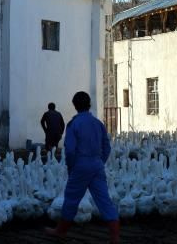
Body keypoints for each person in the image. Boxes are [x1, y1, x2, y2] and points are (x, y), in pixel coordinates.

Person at [45, 91, 120, 243]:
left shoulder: (74, 124)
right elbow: (107, 147)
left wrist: (72, 167)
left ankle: (61, 231)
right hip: (97, 165)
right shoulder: (98, 123)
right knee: (104, 200)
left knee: (71, 198)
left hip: (80, 166)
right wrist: (100, 162)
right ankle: (115, 237)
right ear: (89, 104)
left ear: (75, 106)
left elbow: (70, 150)